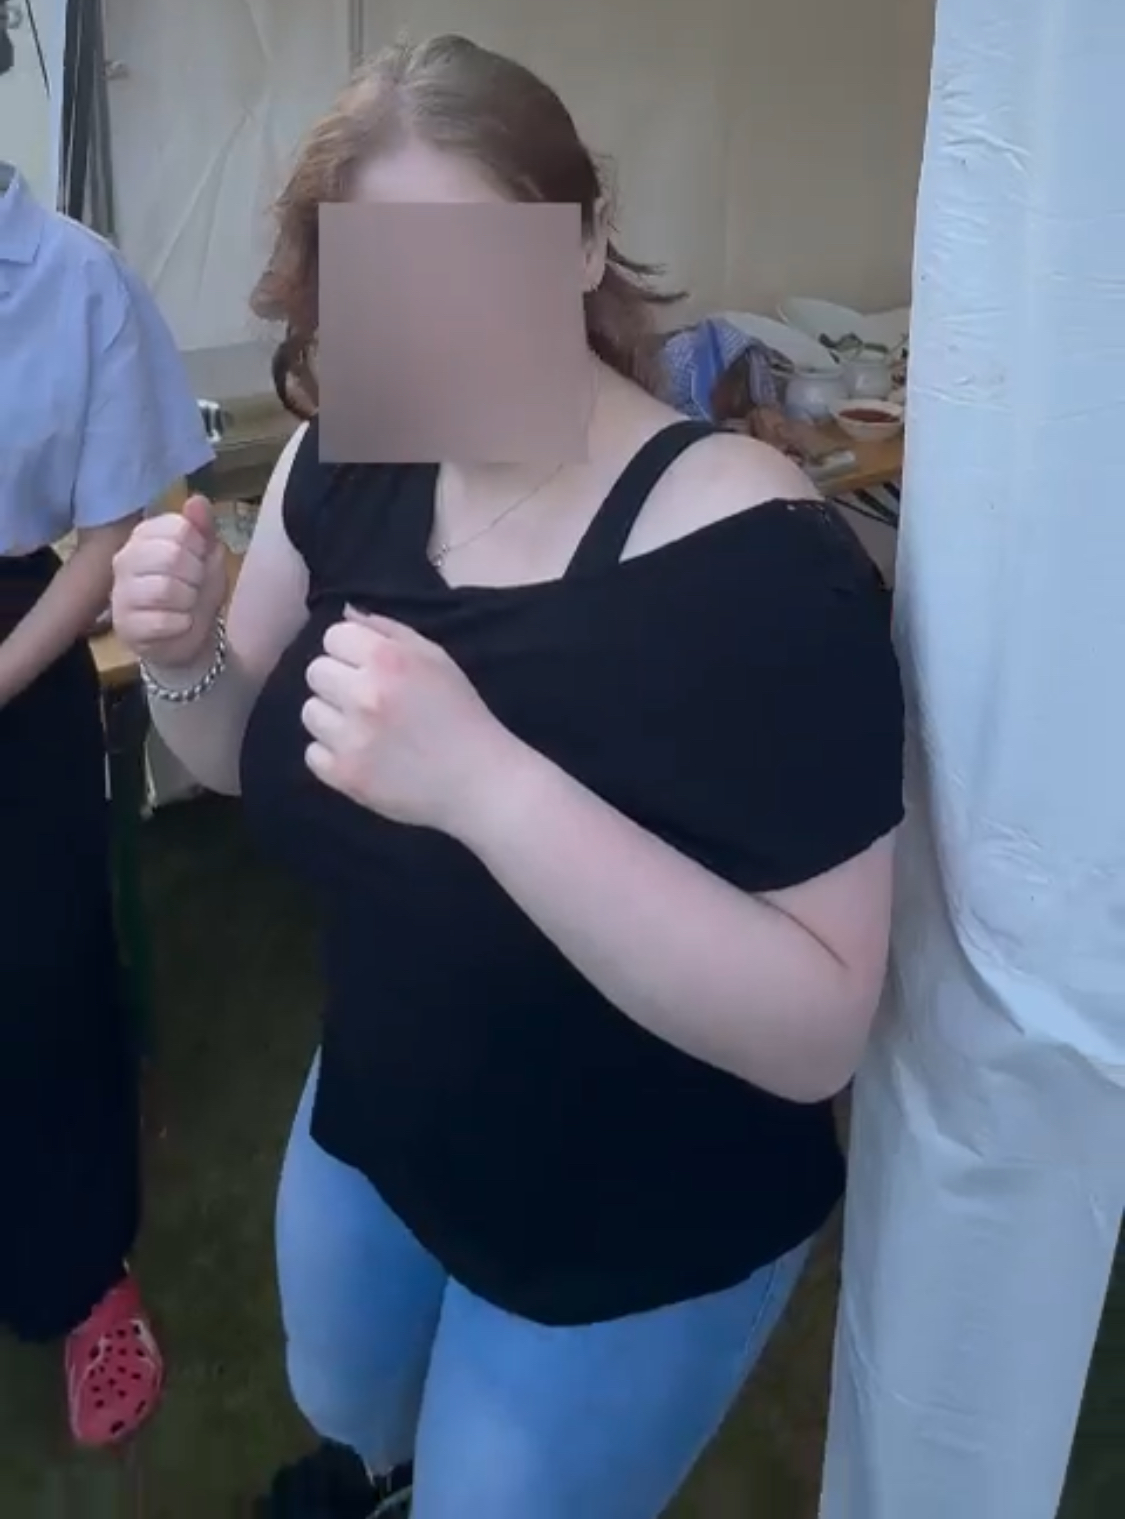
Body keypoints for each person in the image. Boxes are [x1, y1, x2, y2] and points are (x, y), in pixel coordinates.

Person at [109, 35, 905, 1519]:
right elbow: (230, 755)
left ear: (585, 242)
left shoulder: (757, 558)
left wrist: (483, 779)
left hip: (637, 1210)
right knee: (347, 1409)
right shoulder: (345, 459)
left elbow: (817, 1030)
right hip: (381, 1110)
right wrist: (179, 653)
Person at [0, 161, 213, 1444]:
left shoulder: (76, 281)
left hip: (18, 650)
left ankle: (86, 1278)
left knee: (42, 982)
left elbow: (110, 534)